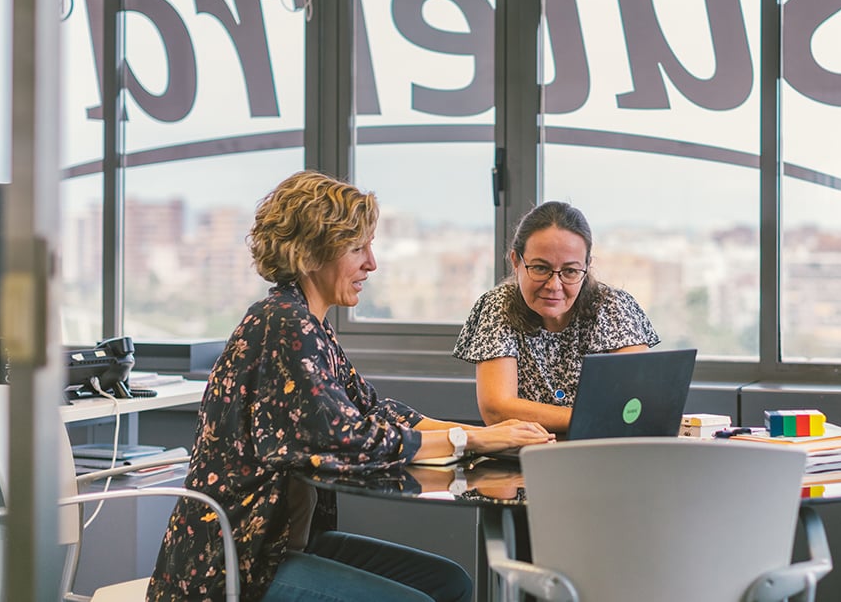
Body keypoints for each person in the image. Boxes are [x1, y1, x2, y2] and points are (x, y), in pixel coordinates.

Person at [147, 171, 552, 602]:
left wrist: (485, 440)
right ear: (309, 252)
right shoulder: (282, 324)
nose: (371, 263)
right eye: (357, 247)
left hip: (283, 544)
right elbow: (347, 442)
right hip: (238, 562)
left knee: (449, 583)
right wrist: (470, 436)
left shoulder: (311, 325)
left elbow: (374, 410)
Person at [453, 201, 659, 434]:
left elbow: (635, 405)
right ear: (516, 261)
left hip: (606, 455)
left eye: (570, 271)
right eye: (541, 268)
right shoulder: (498, 305)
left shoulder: (614, 306)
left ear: (587, 266)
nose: (554, 285)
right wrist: (595, 417)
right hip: (525, 458)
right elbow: (497, 409)